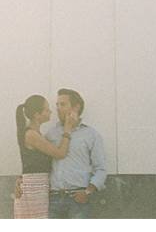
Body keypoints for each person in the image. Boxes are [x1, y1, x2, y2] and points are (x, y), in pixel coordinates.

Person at [45, 88, 107, 219]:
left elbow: (100, 169)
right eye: (57, 105)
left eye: (63, 104)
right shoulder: (51, 134)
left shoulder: (91, 135)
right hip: (54, 198)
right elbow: (39, 163)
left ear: (76, 107)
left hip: (78, 200)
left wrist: (87, 192)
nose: (58, 108)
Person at [13, 94, 77, 219]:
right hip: (34, 188)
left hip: (38, 186)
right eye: (47, 109)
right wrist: (68, 129)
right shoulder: (31, 134)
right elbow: (60, 153)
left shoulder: (37, 134)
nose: (51, 111)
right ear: (37, 115)